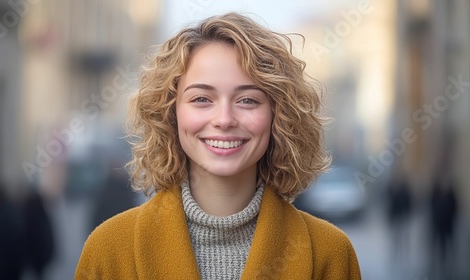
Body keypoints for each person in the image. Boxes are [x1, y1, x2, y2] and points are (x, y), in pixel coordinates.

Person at [75, 12, 361, 279]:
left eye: (248, 100)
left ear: (279, 115)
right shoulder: (108, 249)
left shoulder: (330, 254)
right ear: (170, 113)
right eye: (201, 99)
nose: (224, 119)